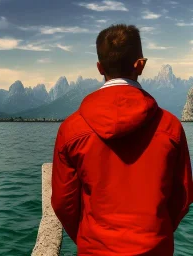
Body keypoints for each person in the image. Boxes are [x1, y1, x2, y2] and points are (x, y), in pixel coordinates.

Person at [51, 24, 193, 255]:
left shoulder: (71, 129)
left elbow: (62, 202)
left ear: (99, 67)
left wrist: (89, 239)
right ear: (141, 65)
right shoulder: (171, 127)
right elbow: (183, 197)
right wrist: (156, 233)